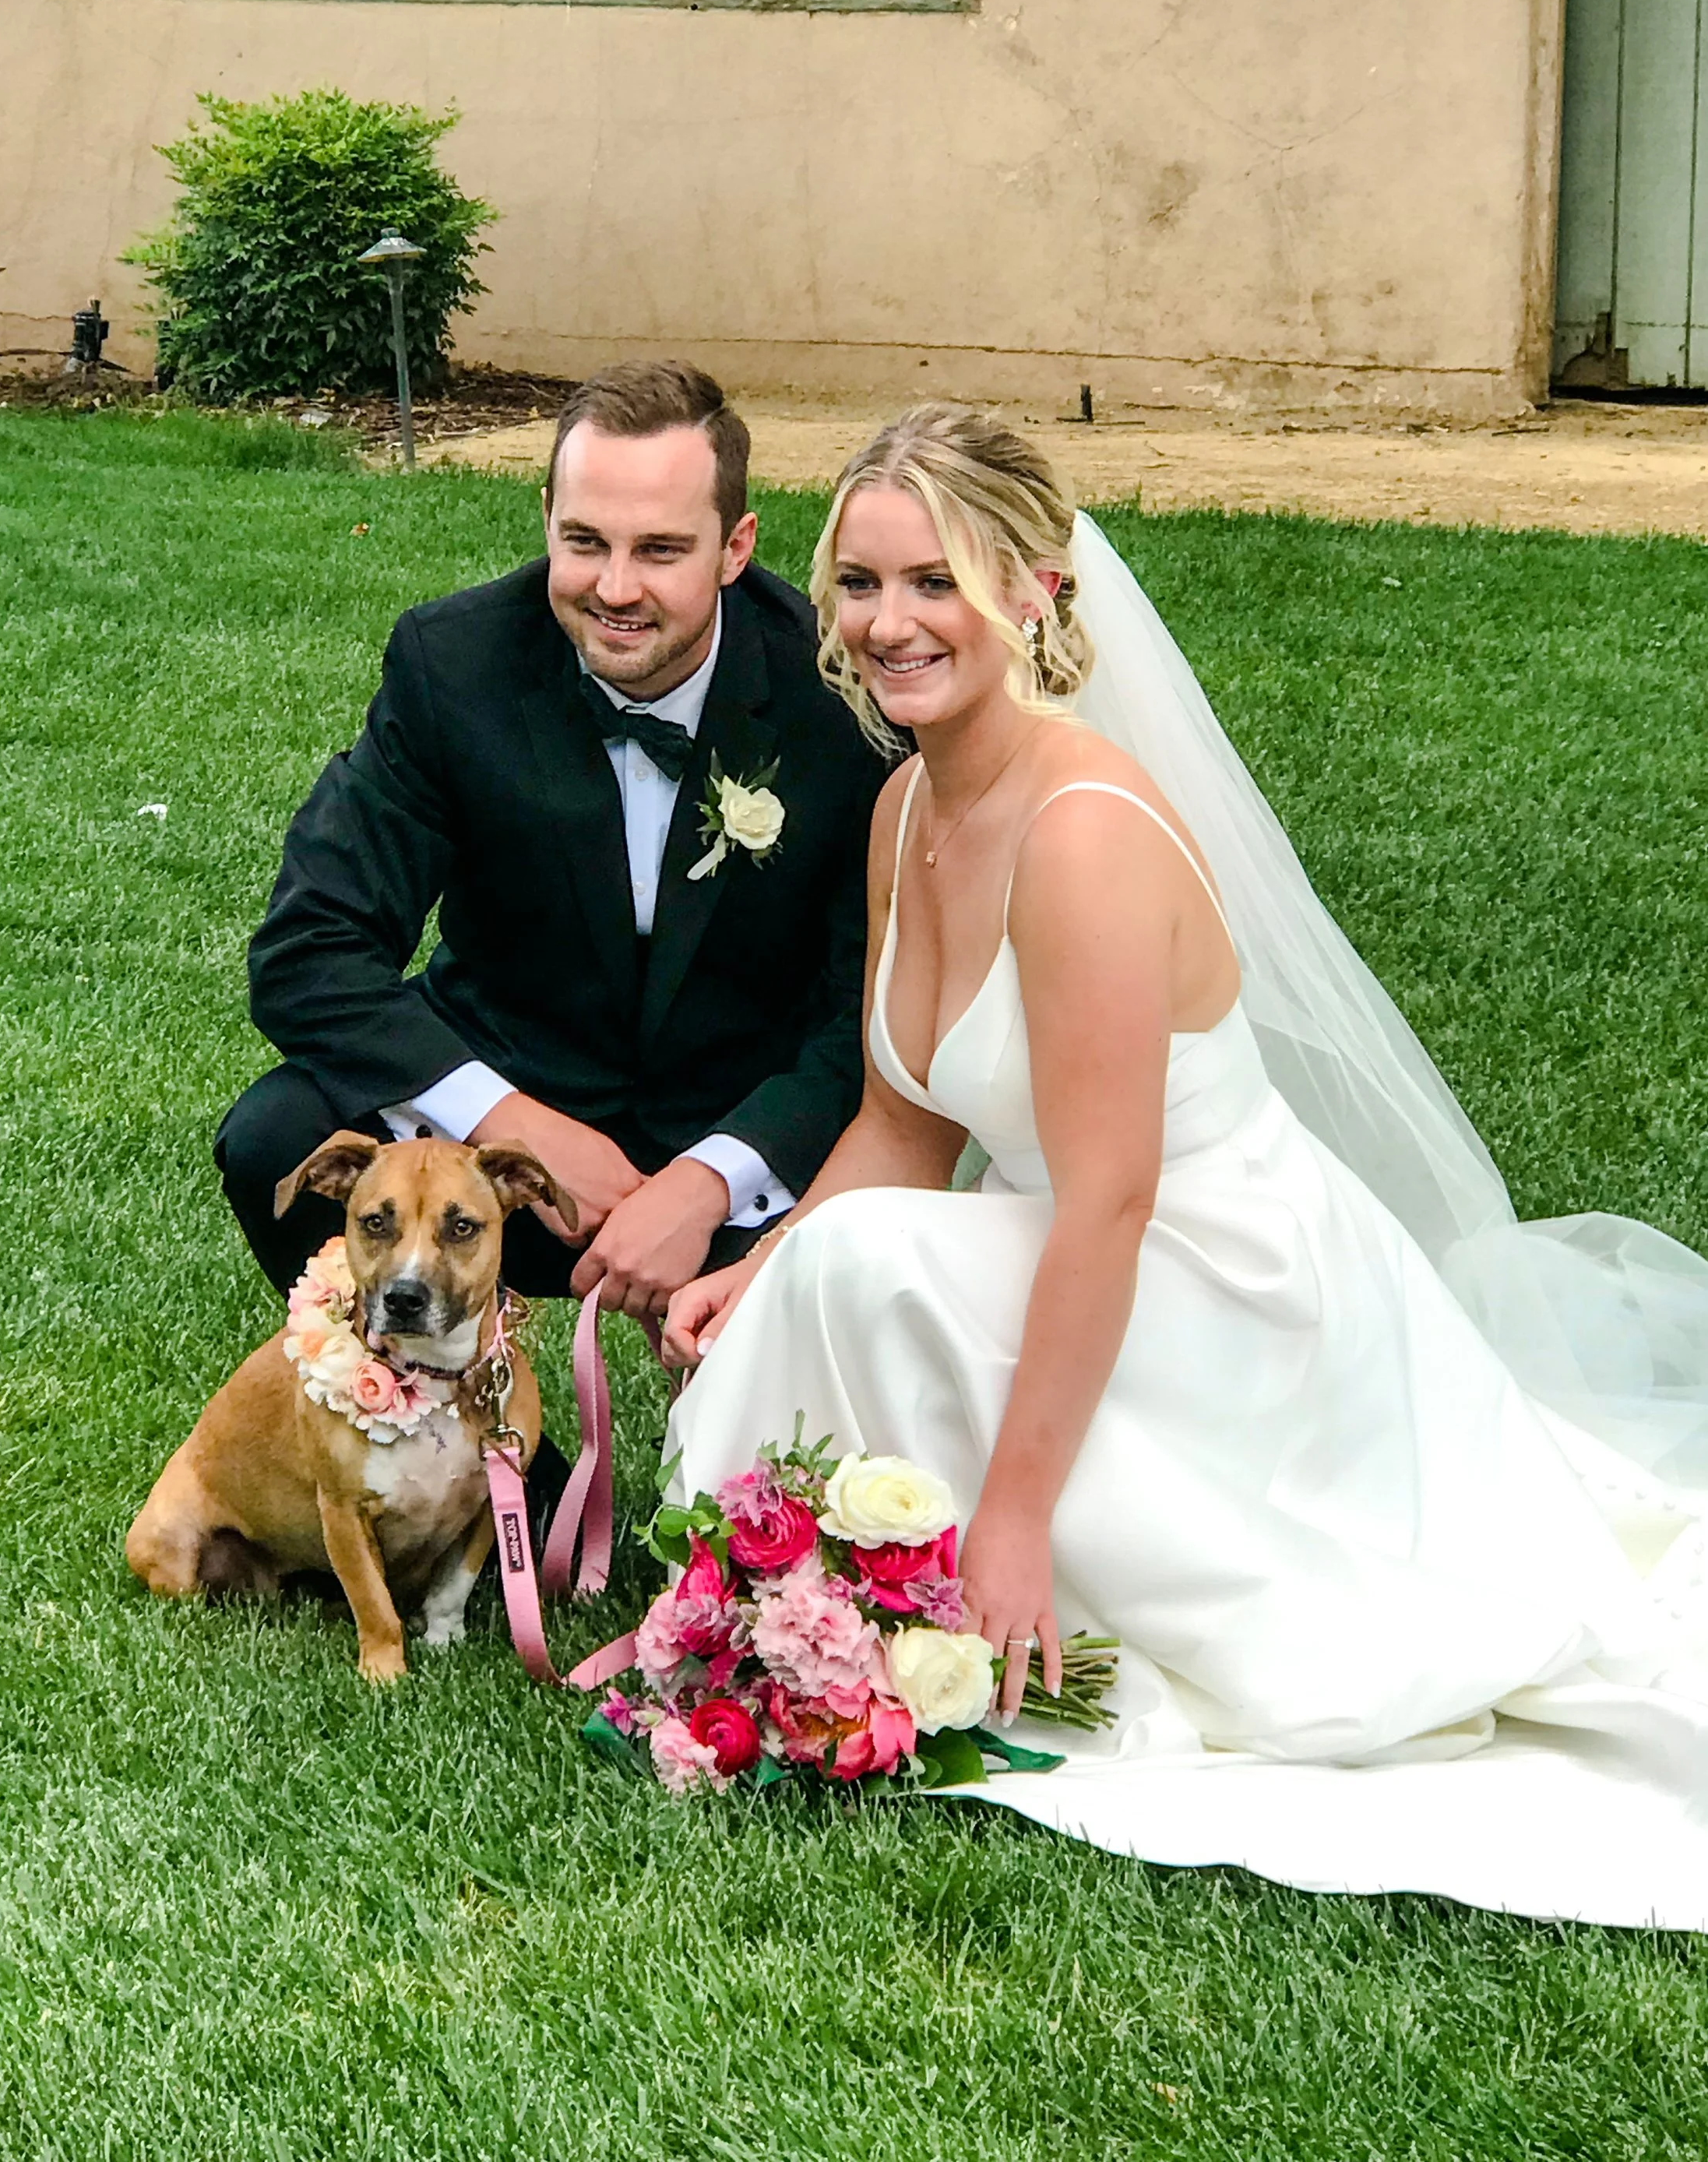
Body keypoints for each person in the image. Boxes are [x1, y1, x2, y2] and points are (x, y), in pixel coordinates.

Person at [663, 403, 1708, 1931]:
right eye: (859, 583)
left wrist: (1012, 1521)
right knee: (827, 1258)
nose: (888, 624)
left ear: (1030, 588)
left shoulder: (1081, 830)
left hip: (1229, 1284)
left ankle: (975, 1573)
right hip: (1091, 1244)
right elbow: (902, 1127)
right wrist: (751, 1274)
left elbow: (1108, 1197)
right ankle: (795, 1599)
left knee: (866, 1264)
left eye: (933, 581)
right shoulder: (902, 810)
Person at [217, 360, 888, 1326]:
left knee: (848, 1283)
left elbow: (860, 1016)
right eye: (584, 542)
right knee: (276, 1135)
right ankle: (484, 1458)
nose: (615, 588)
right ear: (545, 519)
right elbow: (307, 952)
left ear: (735, 547)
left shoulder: (836, 695)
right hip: (509, 1095)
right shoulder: (453, 664)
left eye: (661, 550)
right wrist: (512, 1129)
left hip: (741, 1120)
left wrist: (706, 1181)